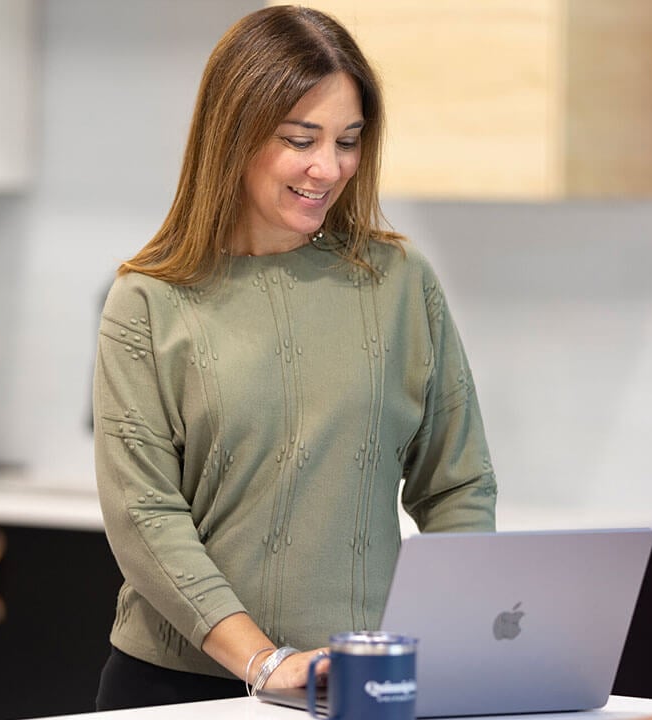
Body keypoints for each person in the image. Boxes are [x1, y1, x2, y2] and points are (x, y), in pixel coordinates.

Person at [91, 5, 497, 711]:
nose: (328, 167)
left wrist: (459, 640)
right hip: (179, 689)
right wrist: (266, 660)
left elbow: (456, 486)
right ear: (234, 134)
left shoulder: (400, 282)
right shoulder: (148, 299)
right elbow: (145, 517)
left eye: (348, 140)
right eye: (300, 139)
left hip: (357, 689)